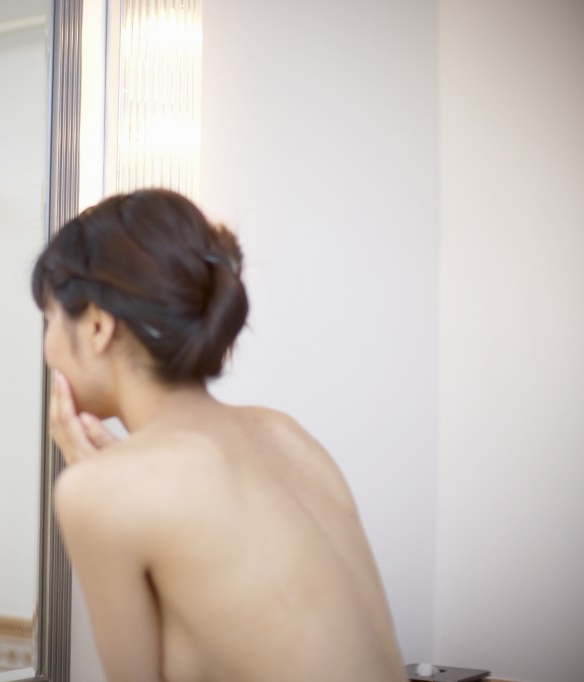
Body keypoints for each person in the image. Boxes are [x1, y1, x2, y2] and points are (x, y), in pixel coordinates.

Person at [32, 189, 406, 682]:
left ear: (98, 326)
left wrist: (98, 487)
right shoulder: (284, 433)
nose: (47, 347)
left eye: (49, 320)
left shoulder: (100, 491)